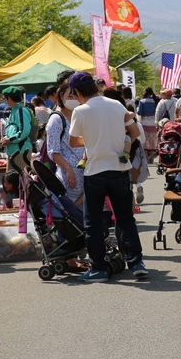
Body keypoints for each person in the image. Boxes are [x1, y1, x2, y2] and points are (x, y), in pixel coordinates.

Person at [67, 71, 147, 282]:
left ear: (76, 92)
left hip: (95, 172)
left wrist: (93, 139)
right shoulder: (116, 105)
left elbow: (74, 142)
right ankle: (136, 262)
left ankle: (99, 269)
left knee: (92, 222)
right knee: (125, 219)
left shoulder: (80, 111)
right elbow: (135, 132)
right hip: (120, 170)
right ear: (95, 86)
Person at [46, 76, 85, 213]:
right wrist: (68, 169)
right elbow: (53, 151)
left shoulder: (78, 115)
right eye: (70, 95)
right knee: (70, 215)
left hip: (84, 176)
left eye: (76, 95)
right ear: (61, 96)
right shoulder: (56, 119)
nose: (73, 99)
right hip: (68, 179)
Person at [136, 88, 158, 161]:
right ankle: (151, 156)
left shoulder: (142, 101)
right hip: (153, 122)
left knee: (145, 139)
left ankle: (146, 156)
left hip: (144, 122)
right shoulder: (155, 101)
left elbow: (139, 112)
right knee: (152, 139)